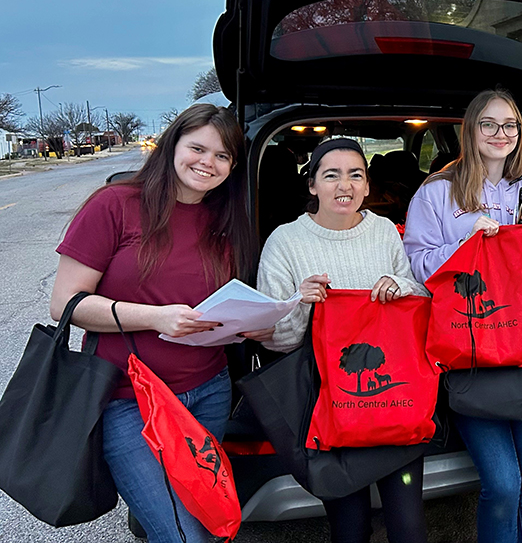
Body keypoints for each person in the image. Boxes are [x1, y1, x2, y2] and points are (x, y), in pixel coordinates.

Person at [49, 104, 271, 543]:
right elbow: (65, 303)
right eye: (198, 148)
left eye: (223, 155)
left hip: (209, 390)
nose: (208, 162)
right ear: (172, 145)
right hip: (129, 400)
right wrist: (157, 318)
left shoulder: (225, 219)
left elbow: (215, 305)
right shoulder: (115, 205)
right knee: (183, 535)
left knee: (202, 516)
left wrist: (249, 324)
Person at [255, 137, 430, 543]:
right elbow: (274, 341)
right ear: (312, 185)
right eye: (331, 175)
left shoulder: (384, 231)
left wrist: (401, 286)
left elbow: (420, 299)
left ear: (368, 186)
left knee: (409, 529)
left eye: (356, 175)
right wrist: (299, 302)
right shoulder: (284, 242)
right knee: (350, 530)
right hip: (330, 410)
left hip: (392, 404)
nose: (345, 185)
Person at [403, 88, 522, 543]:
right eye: (488, 124)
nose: (500, 134)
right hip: (467, 350)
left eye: (510, 125)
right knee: (504, 482)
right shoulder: (435, 193)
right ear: (470, 130)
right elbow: (417, 265)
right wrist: (467, 246)